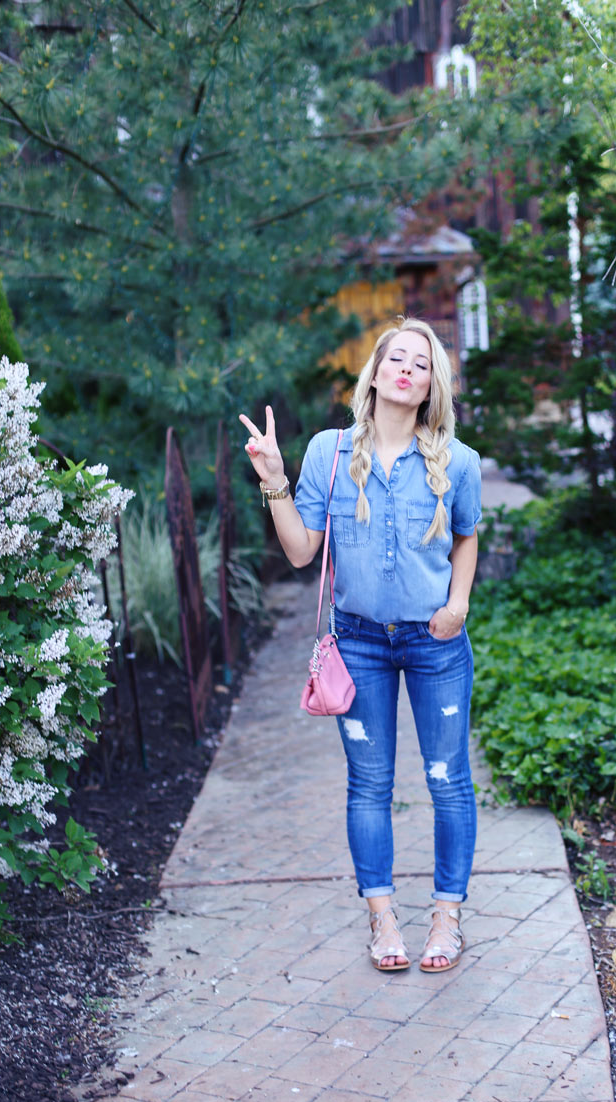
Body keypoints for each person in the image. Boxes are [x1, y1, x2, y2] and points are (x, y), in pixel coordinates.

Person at [239, 317, 481, 973]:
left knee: (447, 782)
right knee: (369, 786)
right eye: (396, 357)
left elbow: (465, 537)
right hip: (361, 646)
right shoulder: (330, 451)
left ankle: (446, 920)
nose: (406, 368)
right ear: (374, 372)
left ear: (432, 385)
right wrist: (272, 477)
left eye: (421, 363)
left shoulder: (458, 461)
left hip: (436, 644)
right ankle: (382, 921)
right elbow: (300, 552)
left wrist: (458, 605)